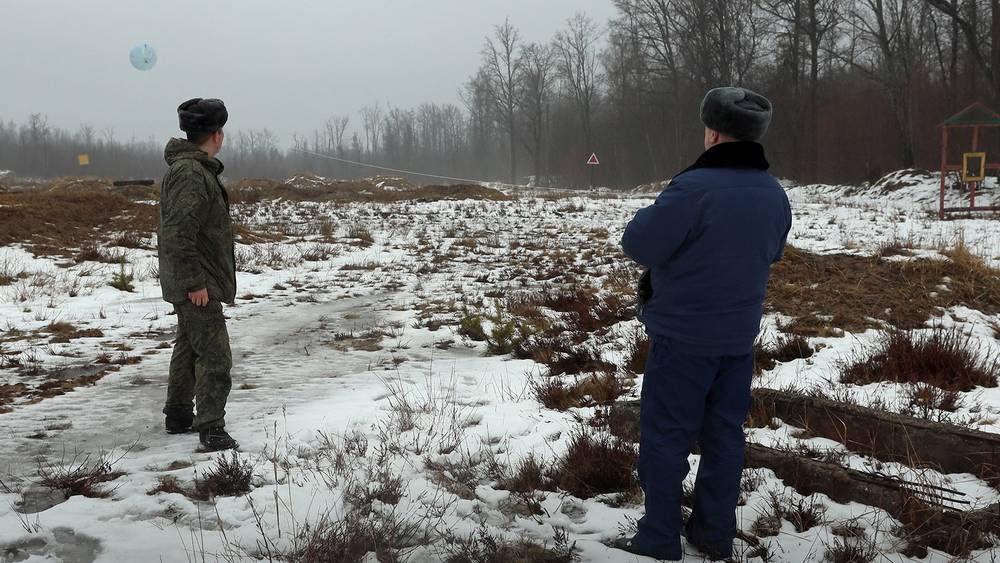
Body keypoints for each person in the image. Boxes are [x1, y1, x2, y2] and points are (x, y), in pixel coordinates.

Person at [614, 87, 792, 560]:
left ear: (713, 133)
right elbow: (772, 252)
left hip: (682, 340)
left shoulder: (692, 189)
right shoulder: (774, 194)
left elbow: (638, 244)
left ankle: (658, 538)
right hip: (738, 339)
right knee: (724, 436)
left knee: (666, 436)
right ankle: (714, 535)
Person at [158, 98, 239, 452]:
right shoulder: (191, 173)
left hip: (194, 279)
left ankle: (178, 416)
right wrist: (195, 283)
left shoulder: (193, 169)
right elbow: (178, 233)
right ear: (216, 135)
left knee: (190, 346)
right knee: (215, 354)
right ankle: (212, 428)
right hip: (195, 281)